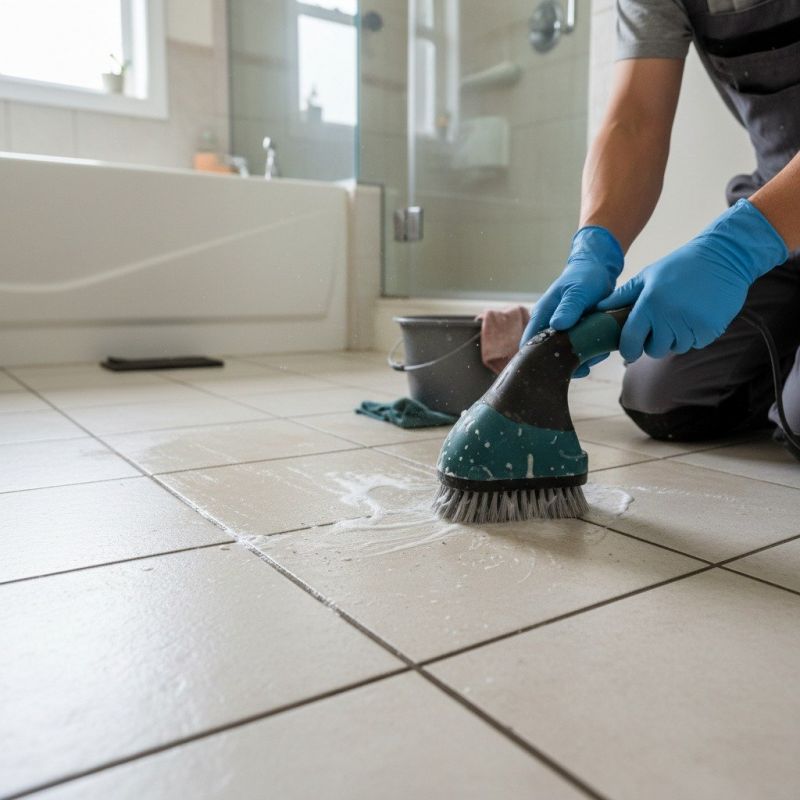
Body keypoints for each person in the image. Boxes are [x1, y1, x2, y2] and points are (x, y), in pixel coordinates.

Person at [521, 0, 800, 457]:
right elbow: (634, 120)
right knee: (662, 396)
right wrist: (594, 246)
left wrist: (738, 245)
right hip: (777, 216)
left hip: (770, 223)